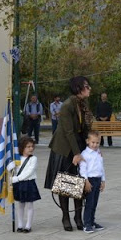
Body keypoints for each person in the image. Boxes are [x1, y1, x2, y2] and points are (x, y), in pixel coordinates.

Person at [44, 76, 92, 231]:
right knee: (65, 183)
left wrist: (93, 148)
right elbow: (69, 132)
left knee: (79, 181)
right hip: (64, 147)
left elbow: (85, 129)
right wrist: (76, 154)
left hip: (77, 143)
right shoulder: (66, 106)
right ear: (78, 88)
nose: (89, 88)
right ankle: (65, 216)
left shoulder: (83, 104)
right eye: (86, 86)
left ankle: (78, 216)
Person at [12, 136, 41, 233]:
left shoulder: (33, 159)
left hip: (29, 183)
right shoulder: (17, 158)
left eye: (32, 146)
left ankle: (28, 225)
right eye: (28, 147)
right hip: (19, 184)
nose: (31, 148)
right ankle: (20, 224)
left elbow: (29, 171)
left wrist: (17, 178)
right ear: (22, 148)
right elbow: (12, 170)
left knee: (29, 205)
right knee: (20, 204)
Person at [80, 131, 106, 233]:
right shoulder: (84, 154)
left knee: (95, 202)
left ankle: (92, 221)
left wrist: (103, 180)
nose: (95, 145)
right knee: (89, 203)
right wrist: (86, 181)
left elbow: (101, 167)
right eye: (93, 142)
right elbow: (83, 169)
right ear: (87, 141)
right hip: (89, 180)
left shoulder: (99, 153)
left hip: (98, 179)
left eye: (97, 143)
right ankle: (87, 224)